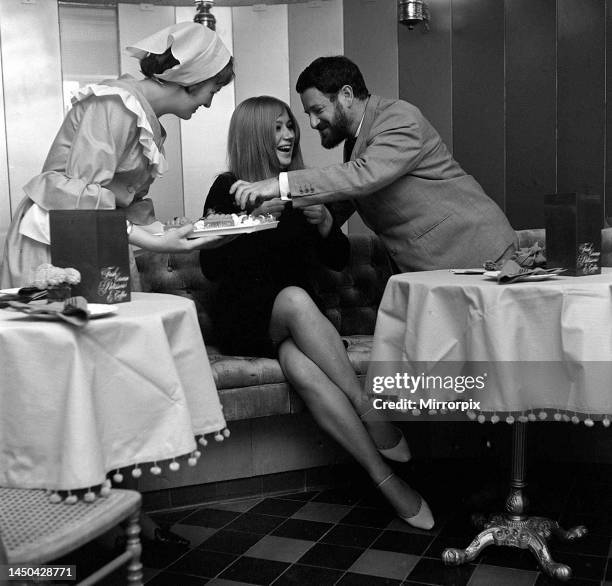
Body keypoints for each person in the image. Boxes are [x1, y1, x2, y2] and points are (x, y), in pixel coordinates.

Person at [200, 96, 434, 530]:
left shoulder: (301, 187)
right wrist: (247, 220)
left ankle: (385, 481)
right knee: (291, 298)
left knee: (305, 371)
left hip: (295, 326)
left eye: (291, 126)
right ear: (253, 136)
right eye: (277, 128)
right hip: (245, 319)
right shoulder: (228, 187)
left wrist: (327, 224)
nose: (289, 135)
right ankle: (367, 408)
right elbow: (210, 267)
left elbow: (339, 260)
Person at [1, 21, 234, 288]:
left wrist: (183, 233)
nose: (208, 102)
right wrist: (154, 241)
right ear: (192, 79)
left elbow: (122, 205)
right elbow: (78, 200)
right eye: (212, 91)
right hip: (50, 241)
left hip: (96, 235)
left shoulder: (146, 119)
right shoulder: (114, 104)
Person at [231, 56, 517, 273]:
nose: (312, 123)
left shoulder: (398, 118)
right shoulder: (355, 143)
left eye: (318, 110)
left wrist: (279, 185)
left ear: (346, 95)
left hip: (479, 251)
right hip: (438, 267)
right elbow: (345, 196)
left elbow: (363, 176)